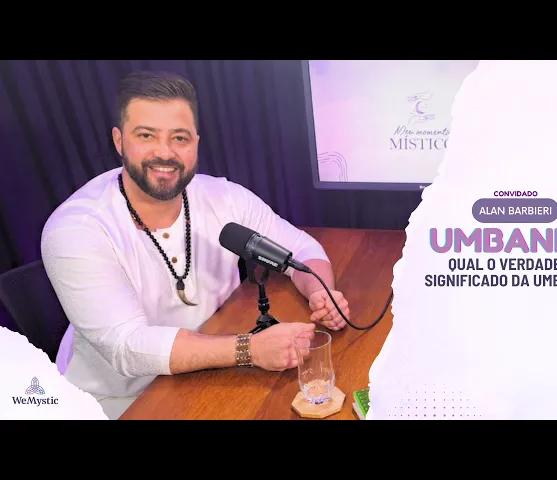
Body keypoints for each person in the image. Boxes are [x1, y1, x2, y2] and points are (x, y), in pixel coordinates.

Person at [41, 70, 350, 420]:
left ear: (196, 143)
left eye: (180, 138)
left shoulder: (224, 197)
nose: (164, 152)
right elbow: (127, 348)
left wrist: (320, 292)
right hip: (113, 401)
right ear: (119, 140)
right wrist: (250, 349)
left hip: (208, 373)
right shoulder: (76, 229)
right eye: (146, 135)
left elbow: (302, 249)